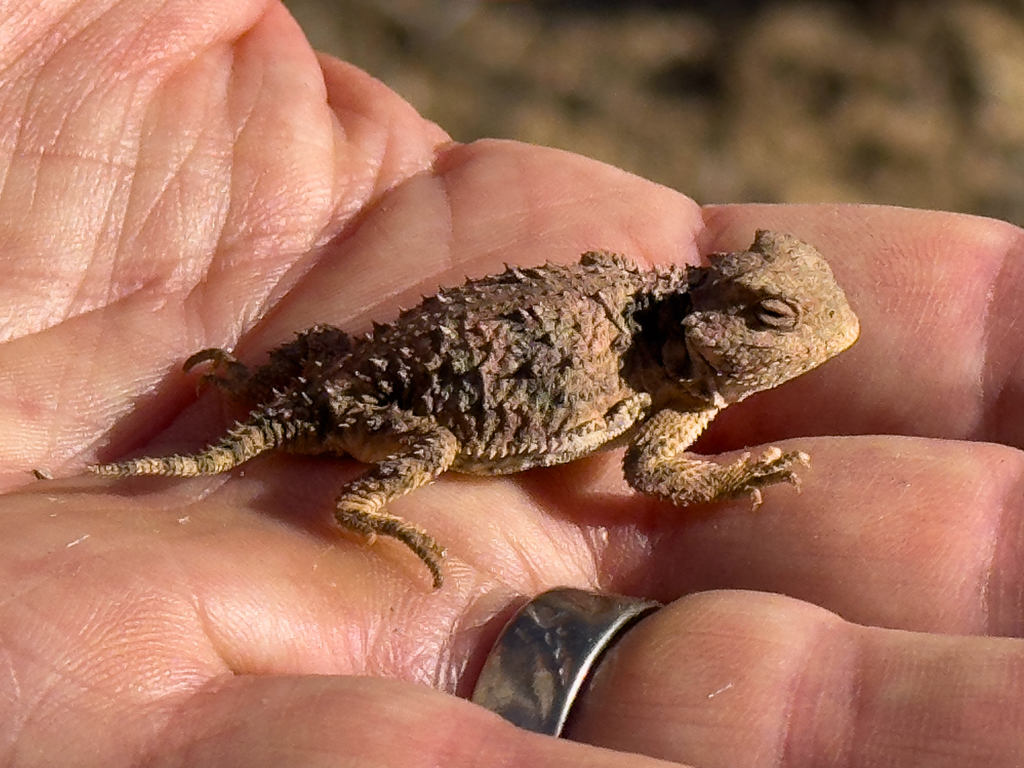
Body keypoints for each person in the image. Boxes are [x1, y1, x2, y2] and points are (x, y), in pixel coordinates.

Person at [1, 1, 1022, 765]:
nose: (816, 335)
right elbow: (659, 480)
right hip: (393, 414)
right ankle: (360, 497)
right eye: (768, 319)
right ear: (715, 319)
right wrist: (731, 474)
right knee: (422, 443)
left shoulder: (661, 348)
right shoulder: (660, 397)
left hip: (341, 359)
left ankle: (268, 384)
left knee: (332, 358)